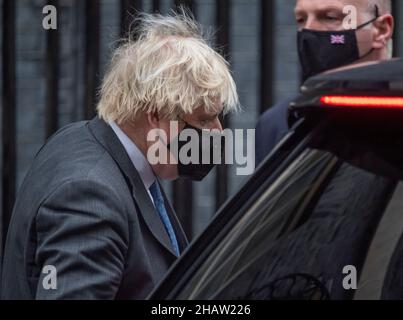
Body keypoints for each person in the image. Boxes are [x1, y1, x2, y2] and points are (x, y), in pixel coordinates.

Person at [0, 12, 239, 299]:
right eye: (203, 120)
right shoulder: (90, 196)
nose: (217, 132)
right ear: (156, 116)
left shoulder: (91, 144)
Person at [255, 0, 394, 165]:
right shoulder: (278, 123)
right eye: (300, 19)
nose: (308, 29)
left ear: (380, 30)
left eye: (330, 17)